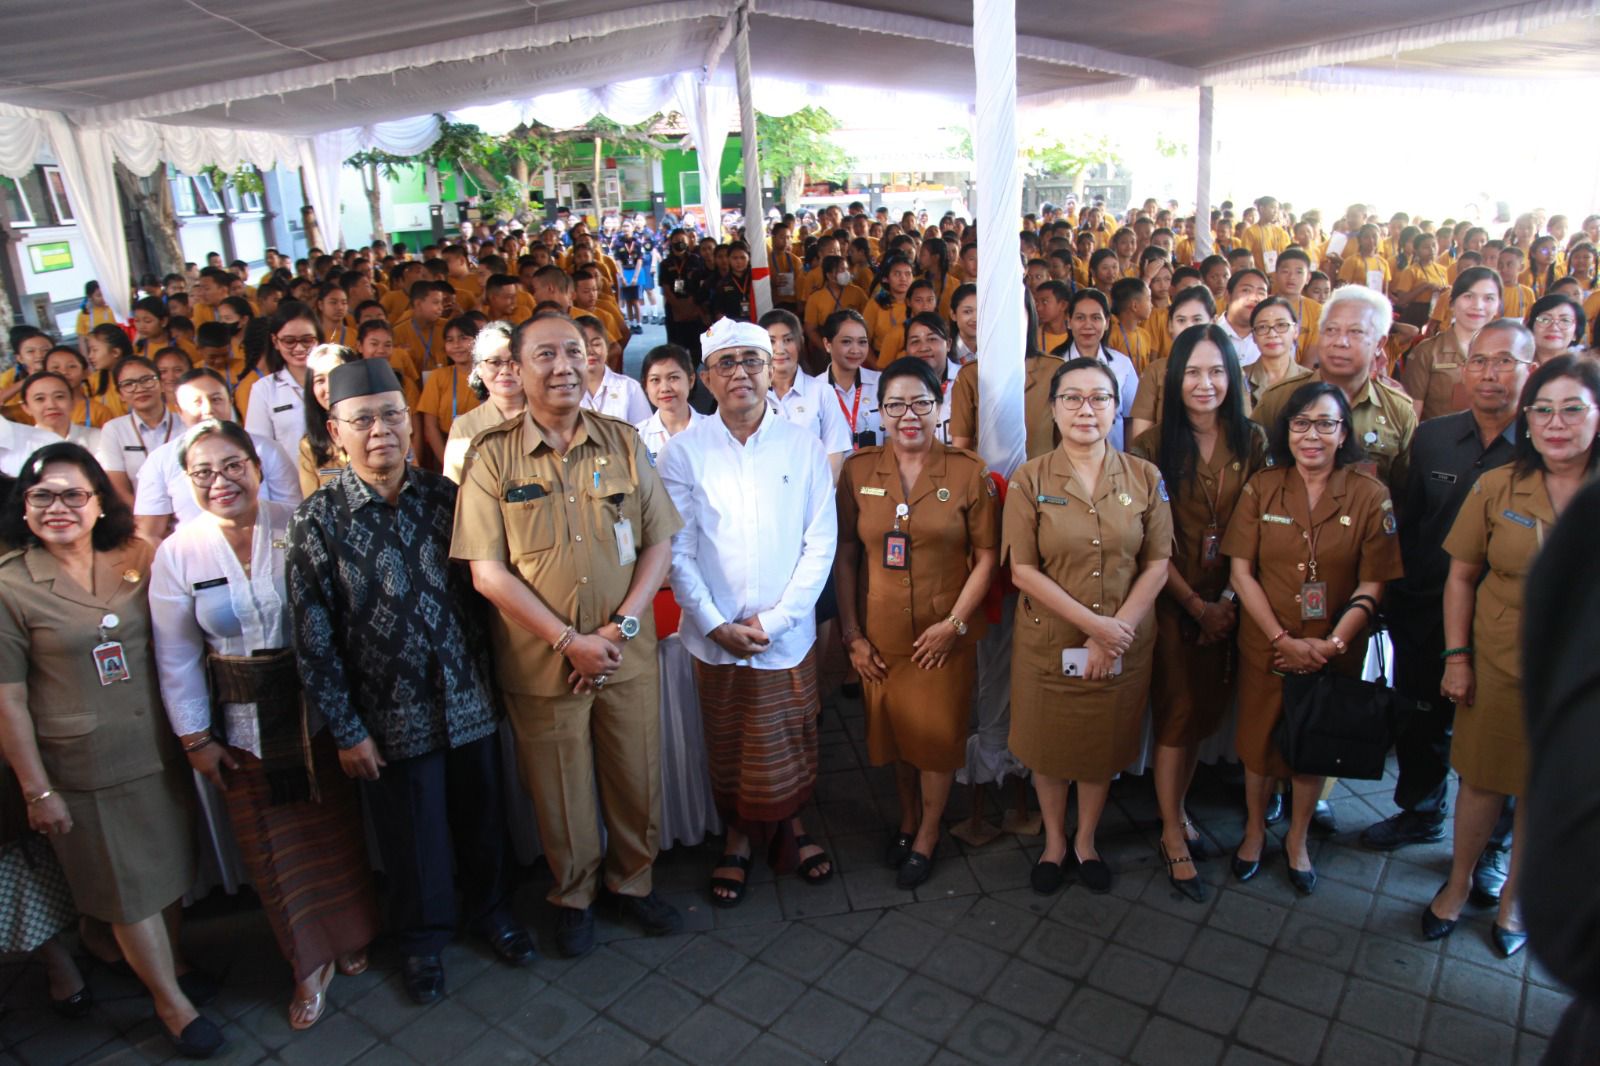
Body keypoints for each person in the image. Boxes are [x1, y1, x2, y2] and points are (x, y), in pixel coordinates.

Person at [287, 359, 532, 1005]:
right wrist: (348, 729)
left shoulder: (446, 497)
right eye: (362, 420)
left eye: (392, 415)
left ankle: (493, 912)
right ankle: (422, 941)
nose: (381, 431)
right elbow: (313, 637)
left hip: (469, 700)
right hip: (389, 717)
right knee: (410, 836)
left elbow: (486, 596)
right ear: (335, 432)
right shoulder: (317, 521)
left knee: (485, 818)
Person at [451, 313, 684, 957]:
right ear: (515, 369)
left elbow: (659, 541)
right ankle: (574, 896)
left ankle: (633, 883)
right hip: (542, 663)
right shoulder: (490, 457)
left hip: (624, 654)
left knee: (636, 776)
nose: (563, 367)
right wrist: (567, 642)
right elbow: (487, 573)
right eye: (545, 355)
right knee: (560, 791)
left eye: (574, 352)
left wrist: (619, 626)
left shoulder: (623, 442)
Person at [149, 419, 379, 1030]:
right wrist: (195, 739)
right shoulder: (178, 553)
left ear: (256, 467)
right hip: (244, 730)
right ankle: (306, 963)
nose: (220, 481)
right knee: (272, 850)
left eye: (232, 466)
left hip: (316, 714)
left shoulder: (299, 523)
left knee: (333, 834)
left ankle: (349, 936)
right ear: (187, 482)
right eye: (203, 472)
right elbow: (175, 656)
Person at [0, 444, 223, 1058]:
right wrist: (37, 790)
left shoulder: (137, 555)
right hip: (82, 766)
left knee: (167, 869)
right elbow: (8, 700)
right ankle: (170, 1004)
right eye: (42, 497)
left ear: (100, 502)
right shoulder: (11, 584)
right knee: (125, 889)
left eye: (74, 494)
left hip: (156, 746)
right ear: (23, 508)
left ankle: (171, 963)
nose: (59, 507)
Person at [1424, 354, 1600, 957]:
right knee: (1482, 780)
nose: (1556, 423)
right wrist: (1457, 657)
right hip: (1499, 661)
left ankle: (1516, 899)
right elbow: (1460, 577)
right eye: (1542, 410)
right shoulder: (1499, 485)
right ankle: (1458, 882)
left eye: (1572, 409)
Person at [659, 318, 837, 905]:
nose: (741, 373)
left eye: (752, 361)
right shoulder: (683, 453)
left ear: (771, 369)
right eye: (727, 363)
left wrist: (775, 620)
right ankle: (737, 837)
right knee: (730, 740)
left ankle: (794, 825)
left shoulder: (803, 446)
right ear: (706, 378)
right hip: (716, 638)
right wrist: (715, 624)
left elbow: (820, 544)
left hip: (786, 634)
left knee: (792, 736)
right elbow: (677, 549)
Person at [1362, 321, 1532, 884]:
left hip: (1505, 620)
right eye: (1479, 361)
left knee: (1500, 736)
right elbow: (1408, 522)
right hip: (1425, 608)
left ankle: (1492, 848)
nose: (1489, 374)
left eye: (1505, 362)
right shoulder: (1433, 437)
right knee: (1419, 718)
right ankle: (1421, 810)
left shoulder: (1542, 445)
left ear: (1530, 370)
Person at [1223, 382, 1403, 895]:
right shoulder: (1262, 487)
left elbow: (1373, 584)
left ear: (1344, 433)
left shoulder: (1370, 495)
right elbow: (1241, 573)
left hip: (1333, 650)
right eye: (1301, 423)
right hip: (1267, 645)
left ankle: (1297, 839)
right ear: (1287, 431)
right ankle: (1254, 832)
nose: (1312, 435)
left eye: (1325, 423)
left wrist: (1334, 644)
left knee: (1315, 745)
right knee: (1258, 746)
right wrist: (1280, 638)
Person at [1004, 357, 1172, 896]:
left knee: (1101, 745)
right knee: (1049, 747)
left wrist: (1115, 631)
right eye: (1072, 398)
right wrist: (1096, 628)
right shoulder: (1029, 479)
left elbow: (1157, 564)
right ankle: (1055, 841)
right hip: (1050, 643)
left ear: (1116, 408)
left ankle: (1086, 841)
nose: (1086, 409)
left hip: (1125, 640)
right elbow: (1022, 570)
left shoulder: (1145, 477)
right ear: (1053, 409)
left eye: (1099, 397)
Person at [834, 357, 997, 888]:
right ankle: (908, 818)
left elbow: (988, 557)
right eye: (896, 405)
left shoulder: (968, 471)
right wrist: (852, 636)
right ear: (879, 412)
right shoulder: (859, 471)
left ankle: (928, 833)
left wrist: (955, 624)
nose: (909, 415)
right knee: (896, 736)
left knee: (937, 739)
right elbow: (846, 554)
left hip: (941, 637)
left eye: (921, 403)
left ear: (939, 407)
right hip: (880, 635)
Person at [1129, 325, 1266, 902]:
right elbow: (1149, 541)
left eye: (1216, 371)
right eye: (1192, 372)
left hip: (1232, 596)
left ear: (1232, 377)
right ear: (1173, 379)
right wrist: (1195, 606)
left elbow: (1255, 528)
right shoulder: (1151, 446)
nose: (1205, 383)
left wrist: (1227, 604)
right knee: (1177, 712)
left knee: (1202, 713)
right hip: (1170, 597)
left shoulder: (1252, 440)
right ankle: (1170, 832)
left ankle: (1179, 809)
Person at [1253, 285, 1417, 491]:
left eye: (1355, 332)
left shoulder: (1398, 411)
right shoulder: (1278, 399)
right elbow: (1252, 474)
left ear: (1379, 344)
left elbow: (1405, 491)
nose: (1340, 342)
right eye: (1331, 330)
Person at [133, 369, 301, 543]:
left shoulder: (267, 449)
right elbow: (148, 533)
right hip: (194, 553)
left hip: (267, 547)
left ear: (230, 401)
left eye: (216, 399)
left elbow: (291, 513)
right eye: (197, 402)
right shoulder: (160, 460)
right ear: (179, 410)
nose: (208, 410)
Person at [1400, 267, 1504, 421]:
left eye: (1488, 298)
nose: (1478, 306)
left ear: (1498, 306)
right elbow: (1410, 418)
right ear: (1451, 303)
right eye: (1468, 296)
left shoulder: (1506, 355)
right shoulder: (1427, 352)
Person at [763, 308, 853, 474]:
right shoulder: (749, 396)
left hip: (815, 488)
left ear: (800, 342)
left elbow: (835, 457)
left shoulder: (822, 393)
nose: (780, 349)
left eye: (788, 340)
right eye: (771, 341)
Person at [441, 322, 523, 484]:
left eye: (514, 361)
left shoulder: (549, 418)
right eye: (494, 362)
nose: (505, 370)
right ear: (479, 368)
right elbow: (455, 488)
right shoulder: (465, 427)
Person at [1059, 289, 1139, 451]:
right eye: (1080, 318)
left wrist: (1129, 459)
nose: (1087, 325)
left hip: (1114, 459)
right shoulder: (1055, 364)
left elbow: (1131, 418)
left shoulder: (1122, 364)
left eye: (1096, 318)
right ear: (1069, 321)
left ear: (1107, 322)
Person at [96, 356, 181, 506]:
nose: (140, 389)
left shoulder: (186, 422)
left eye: (146, 380)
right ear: (120, 394)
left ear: (161, 384)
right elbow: (119, 489)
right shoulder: (114, 430)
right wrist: (146, 516)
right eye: (129, 384)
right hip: (138, 514)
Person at [243, 302, 320, 453]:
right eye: (289, 341)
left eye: (307, 340)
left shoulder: (335, 380)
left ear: (317, 338)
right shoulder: (263, 389)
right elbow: (259, 447)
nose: (299, 348)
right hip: (289, 469)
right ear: (275, 341)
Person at [417, 315, 482, 469]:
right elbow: (430, 427)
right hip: (447, 449)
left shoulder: (489, 374)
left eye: (463, 338)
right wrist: (447, 463)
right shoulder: (438, 377)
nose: (456, 345)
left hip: (487, 446)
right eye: (450, 340)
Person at [296, 344, 362, 495]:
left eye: (335, 377)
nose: (328, 388)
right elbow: (312, 503)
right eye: (320, 381)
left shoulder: (381, 428)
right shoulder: (309, 446)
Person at [815, 309, 883, 450]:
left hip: (876, 463)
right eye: (846, 342)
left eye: (862, 342)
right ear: (827, 344)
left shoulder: (882, 384)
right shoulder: (813, 389)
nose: (855, 350)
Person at [576, 313, 650, 423]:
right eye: (583, 345)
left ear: (607, 347)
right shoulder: (564, 390)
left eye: (596, 344)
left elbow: (645, 430)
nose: (590, 351)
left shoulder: (629, 388)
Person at [635, 344, 704, 458]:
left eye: (673, 378)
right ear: (645, 385)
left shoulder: (715, 430)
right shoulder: (636, 437)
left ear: (691, 380)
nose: (665, 388)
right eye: (655, 380)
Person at [1244, 296, 1313, 409]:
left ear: (1296, 331)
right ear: (1253, 336)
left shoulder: (1311, 381)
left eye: (1281, 325)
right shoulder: (1239, 378)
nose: (1272, 334)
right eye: (1262, 327)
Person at [21, 372, 100, 453]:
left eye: (59, 396)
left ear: (73, 402)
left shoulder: (98, 439)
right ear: (26, 408)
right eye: (40, 399)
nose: (51, 405)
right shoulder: (20, 447)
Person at [1526, 293, 1586, 365]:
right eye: (1545, 319)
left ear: (1575, 333)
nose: (1554, 328)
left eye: (1565, 320)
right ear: (1532, 327)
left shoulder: (1584, 369)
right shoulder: (1517, 366)